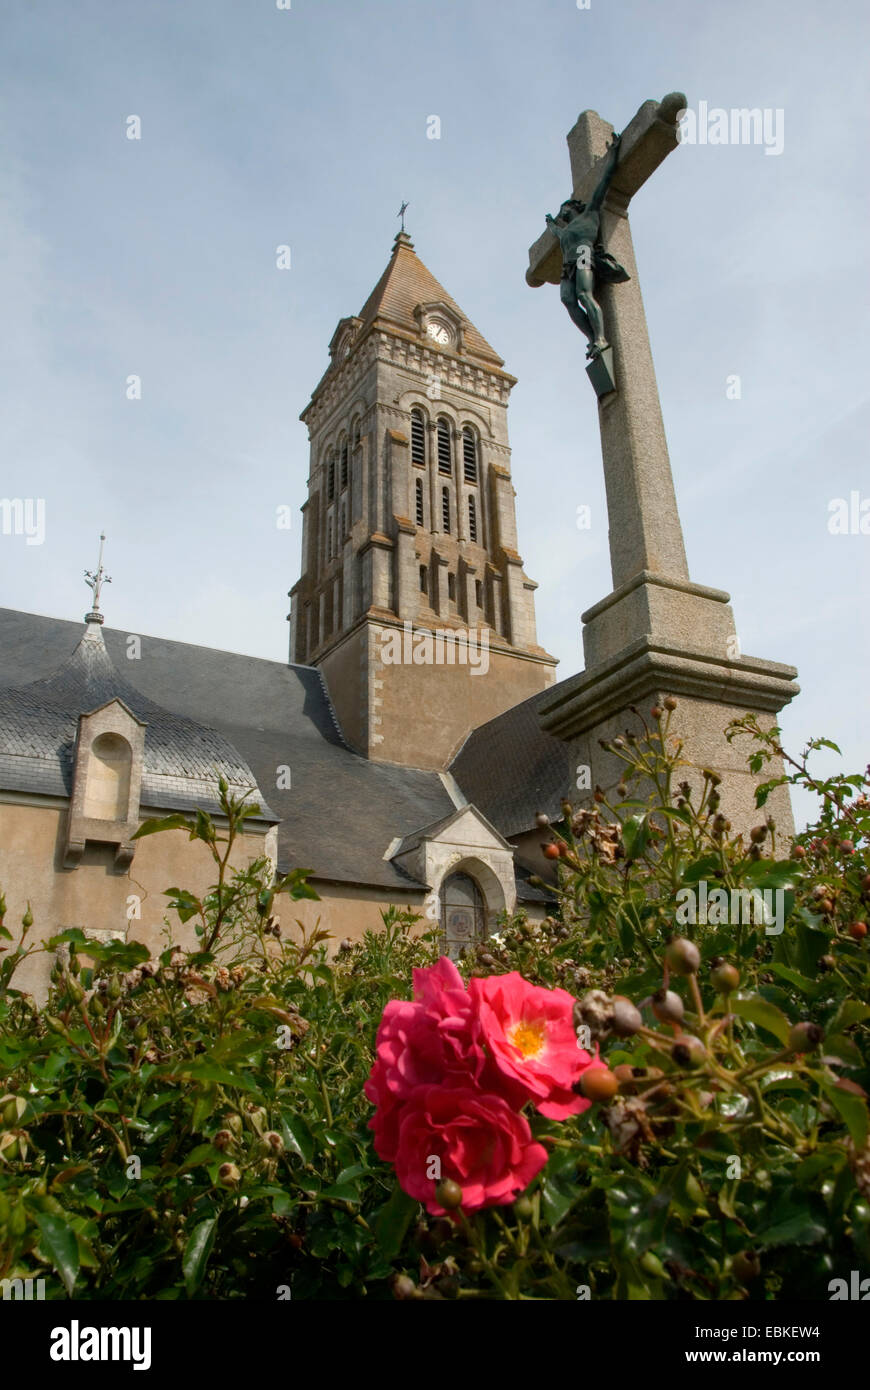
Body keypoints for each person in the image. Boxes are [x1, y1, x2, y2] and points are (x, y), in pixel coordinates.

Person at [545, 134, 630, 360]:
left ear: (571, 207)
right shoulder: (564, 231)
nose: (562, 213)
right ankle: (591, 338)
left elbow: (604, 182)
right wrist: (550, 224)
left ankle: (601, 338)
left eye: (564, 210)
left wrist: (612, 154)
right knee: (568, 300)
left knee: (584, 294)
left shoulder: (589, 214)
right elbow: (555, 231)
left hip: (584, 254)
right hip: (567, 264)